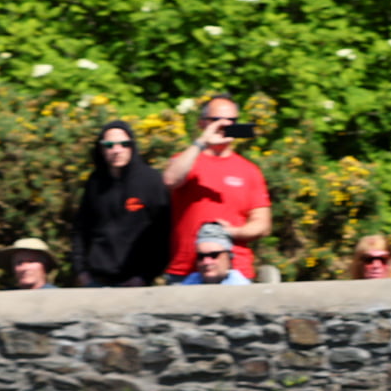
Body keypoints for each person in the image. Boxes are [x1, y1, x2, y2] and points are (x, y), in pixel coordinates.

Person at [162, 93, 271, 282]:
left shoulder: (249, 170)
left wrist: (233, 232)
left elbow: (263, 225)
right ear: (201, 123)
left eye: (231, 121)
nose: (225, 125)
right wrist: (202, 142)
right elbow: (170, 180)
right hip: (186, 271)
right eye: (216, 120)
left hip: (235, 273)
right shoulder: (186, 160)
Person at [72, 120, 170, 287]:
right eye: (109, 145)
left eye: (124, 144)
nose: (117, 150)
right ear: (101, 149)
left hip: (137, 282)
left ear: (132, 146)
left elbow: (163, 233)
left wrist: (145, 276)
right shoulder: (95, 182)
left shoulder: (151, 180)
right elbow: (81, 229)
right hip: (97, 280)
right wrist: (81, 271)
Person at [178, 223, 252, 285]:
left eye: (214, 255)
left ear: (229, 257)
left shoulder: (240, 287)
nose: (206, 262)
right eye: (201, 256)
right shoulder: (191, 282)